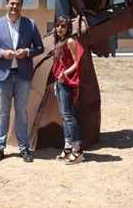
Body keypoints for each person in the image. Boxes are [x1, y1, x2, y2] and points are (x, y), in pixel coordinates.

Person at [0, 0, 44, 163]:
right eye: (11, 3)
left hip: (23, 76)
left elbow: (40, 47)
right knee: (3, 113)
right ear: (6, 4)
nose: (14, 6)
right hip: (3, 77)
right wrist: (1, 53)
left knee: (22, 113)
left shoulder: (30, 24)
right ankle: (0, 147)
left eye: (17, 4)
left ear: (21, 6)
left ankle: (24, 148)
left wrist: (28, 52)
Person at [50, 15, 84, 165]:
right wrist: (57, 80)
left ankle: (78, 150)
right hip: (60, 82)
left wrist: (64, 74)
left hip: (66, 82)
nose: (59, 28)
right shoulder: (59, 43)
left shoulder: (70, 41)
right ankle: (68, 147)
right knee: (64, 116)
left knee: (68, 116)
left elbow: (77, 63)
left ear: (68, 28)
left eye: (63, 26)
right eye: (57, 25)